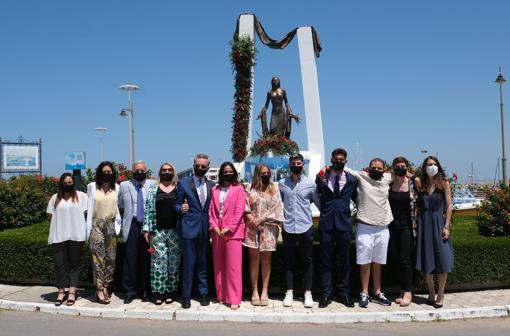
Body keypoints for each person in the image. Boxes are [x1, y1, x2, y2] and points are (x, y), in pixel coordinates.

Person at [343, 158, 394, 308]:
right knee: (365, 262)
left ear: (384, 170)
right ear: (368, 168)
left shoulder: (388, 178)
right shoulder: (361, 176)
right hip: (364, 227)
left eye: (379, 168)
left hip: (383, 227)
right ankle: (364, 293)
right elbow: (345, 169)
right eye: (374, 167)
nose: (376, 170)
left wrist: (413, 176)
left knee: (378, 262)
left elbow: (404, 174)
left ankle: (377, 292)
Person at [315, 148, 358, 308]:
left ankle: (344, 294)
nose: (338, 161)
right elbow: (317, 195)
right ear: (331, 160)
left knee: (345, 262)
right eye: (336, 159)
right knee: (325, 261)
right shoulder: (321, 177)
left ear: (345, 161)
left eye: (341, 159)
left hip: (344, 225)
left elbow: (356, 199)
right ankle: (326, 294)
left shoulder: (352, 180)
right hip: (326, 224)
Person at [279, 153, 320, 308]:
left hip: (306, 227)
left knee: (307, 262)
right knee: (288, 261)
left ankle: (307, 293)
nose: (296, 165)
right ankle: (289, 292)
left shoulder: (311, 184)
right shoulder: (282, 184)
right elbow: (280, 202)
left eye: (299, 163)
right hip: (288, 226)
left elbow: (318, 203)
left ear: (303, 165)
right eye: (294, 163)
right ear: (289, 165)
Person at [174, 154, 215, 309]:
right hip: (188, 229)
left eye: (203, 166)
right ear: (193, 165)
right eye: (197, 165)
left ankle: (204, 293)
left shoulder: (212, 185)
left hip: (205, 229)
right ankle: (186, 296)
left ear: (208, 167)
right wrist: (180, 208)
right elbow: (176, 205)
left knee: (203, 264)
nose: (200, 168)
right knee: (188, 264)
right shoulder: (183, 183)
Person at [415, 156, 454, 309]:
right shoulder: (421, 185)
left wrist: (446, 227)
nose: (432, 166)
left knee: (443, 259)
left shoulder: (444, 184)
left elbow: (449, 206)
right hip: (424, 223)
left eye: (434, 164)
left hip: (439, 223)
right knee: (427, 259)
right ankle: (431, 292)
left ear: (438, 166)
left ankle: (441, 293)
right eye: (429, 164)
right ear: (424, 167)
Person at [243, 164, 284, 306]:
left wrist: (262, 219)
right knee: (254, 260)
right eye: (262, 173)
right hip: (252, 229)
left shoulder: (274, 189)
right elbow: (245, 207)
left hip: (269, 229)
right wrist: (253, 221)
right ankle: (254, 290)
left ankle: (265, 291)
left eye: (267, 173)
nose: (265, 175)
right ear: (257, 174)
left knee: (266, 260)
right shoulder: (249, 188)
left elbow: (278, 209)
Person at [142, 162, 181, 305]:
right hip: (157, 231)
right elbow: (147, 210)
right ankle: (158, 293)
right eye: (164, 170)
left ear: (173, 172)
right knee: (158, 264)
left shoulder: (178, 188)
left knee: (173, 264)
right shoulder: (153, 189)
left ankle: (171, 292)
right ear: (160, 172)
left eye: (170, 170)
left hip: (175, 232)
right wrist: (146, 229)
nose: (167, 172)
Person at [46, 173, 88, 306]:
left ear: (73, 183)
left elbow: (86, 214)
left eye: (70, 183)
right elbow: (50, 216)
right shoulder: (55, 198)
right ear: (61, 183)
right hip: (58, 236)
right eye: (66, 182)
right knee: (60, 265)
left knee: (74, 265)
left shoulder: (82, 196)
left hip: (76, 235)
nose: (68, 185)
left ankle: (72, 292)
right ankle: (61, 292)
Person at [209, 162, 246, 310]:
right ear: (221, 173)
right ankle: (222, 296)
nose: (228, 174)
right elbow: (211, 210)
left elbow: (239, 211)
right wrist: (213, 226)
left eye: (230, 171)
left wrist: (228, 228)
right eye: (225, 171)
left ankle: (234, 298)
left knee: (233, 267)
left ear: (234, 173)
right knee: (218, 266)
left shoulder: (239, 189)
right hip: (217, 231)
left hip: (233, 232)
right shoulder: (215, 189)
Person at [118, 160, 156, 304]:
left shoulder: (153, 185)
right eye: (136, 170)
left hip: (148, 225)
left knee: (147, 258)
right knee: (130, 258)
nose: (139, 173)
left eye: (142, 170)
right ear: (132, 172)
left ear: (146, 171)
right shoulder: (124, 185)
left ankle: (145, 290)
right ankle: (129, 291)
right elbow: (120, 204)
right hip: (132, 224)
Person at [86, 161, 121, 304]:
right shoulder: (92, 187)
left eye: (109, 171)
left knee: (110, 258)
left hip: (110, 225)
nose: (107, 174)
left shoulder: (117, 188)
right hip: (96, 224)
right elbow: (88, 207)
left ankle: (107, 285)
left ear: (113, 173)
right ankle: (99, 289)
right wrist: (87, 229)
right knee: (98, 257)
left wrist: (117, 227)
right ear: (99, 173)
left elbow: (119, 207)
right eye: (104, 171)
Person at [388, 157, 417, 307]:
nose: (400, 168)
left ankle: (408, 291)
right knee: (396, 259)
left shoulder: (413, 184)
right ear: (393, 168)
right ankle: (402, 288)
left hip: (407, 226)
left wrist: (412, 175)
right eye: (397, 166)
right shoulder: (390, 184)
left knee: (405, 258)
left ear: (407, 167)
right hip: (392, 226)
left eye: (403, 166)